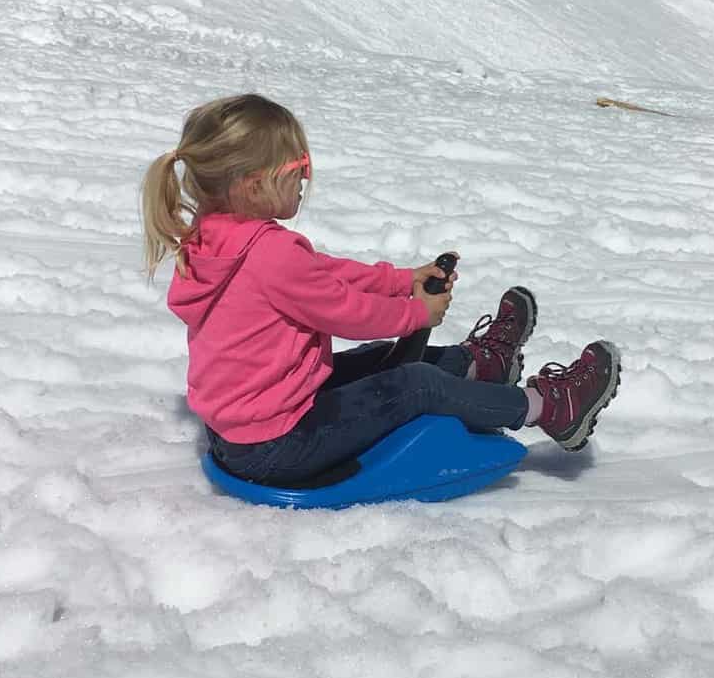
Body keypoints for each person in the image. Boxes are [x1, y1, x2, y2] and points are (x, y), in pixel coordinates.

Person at [140, 93, 621, 487]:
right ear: (254, 185)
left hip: (244, 430)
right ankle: (550, 409)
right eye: (298, 167)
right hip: (279, 446)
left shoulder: (213, 239)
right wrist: (417, 313)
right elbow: (343, 311)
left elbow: (320, 272)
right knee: (412, 385)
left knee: (374, 360)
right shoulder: (268, 253)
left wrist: (402, 280)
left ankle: (479, 365)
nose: (307, 177)